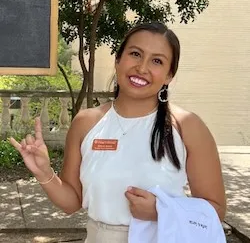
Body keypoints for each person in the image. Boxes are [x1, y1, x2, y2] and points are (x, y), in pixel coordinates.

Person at [10, 21, 226, 242]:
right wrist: (45, 174)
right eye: (135, 54)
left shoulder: (187, 126)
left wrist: (161, 210)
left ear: (169, 75)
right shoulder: (86, 123)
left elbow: (215, 209)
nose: (142, 68)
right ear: (118, 60)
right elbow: (72, 202)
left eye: (157, 61)